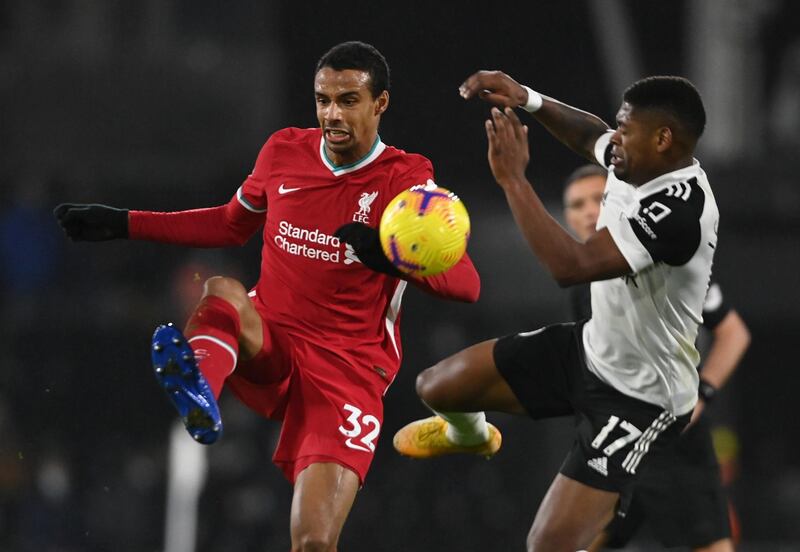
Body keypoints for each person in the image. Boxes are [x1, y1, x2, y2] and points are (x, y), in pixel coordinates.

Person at [53, 41, 480, 552]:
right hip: (271, 342)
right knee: (224, 291)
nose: (331, 114)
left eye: (347, 100)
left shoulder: (405, 179)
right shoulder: (284, 151)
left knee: (314, 542)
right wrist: (124, 223)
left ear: (380, 103)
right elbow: (231, 225)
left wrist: (390, 255)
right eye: (322, 100)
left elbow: (468, 286)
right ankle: (200, 393)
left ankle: (204, 381)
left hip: (348, 372)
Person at [393, 71, 718, 551]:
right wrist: (528, 98)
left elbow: (572, 266)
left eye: (625, 130)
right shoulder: (638, 160)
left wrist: (512, 181)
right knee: (436, 387)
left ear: (663, 139)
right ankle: (471, 436)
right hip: (588, 353)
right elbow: (589, 134)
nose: (615, 140)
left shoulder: (679, 209)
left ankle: (612, 495)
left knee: (547, 545)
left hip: (641, 398)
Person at [563, 164, 750, 551]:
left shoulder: (662, 260)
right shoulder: (582, 284)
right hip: (616, 447)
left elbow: (733, 333)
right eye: (576, 204)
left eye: (598, 199)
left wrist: (704, 395)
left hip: (677, 450)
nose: (587, 211)